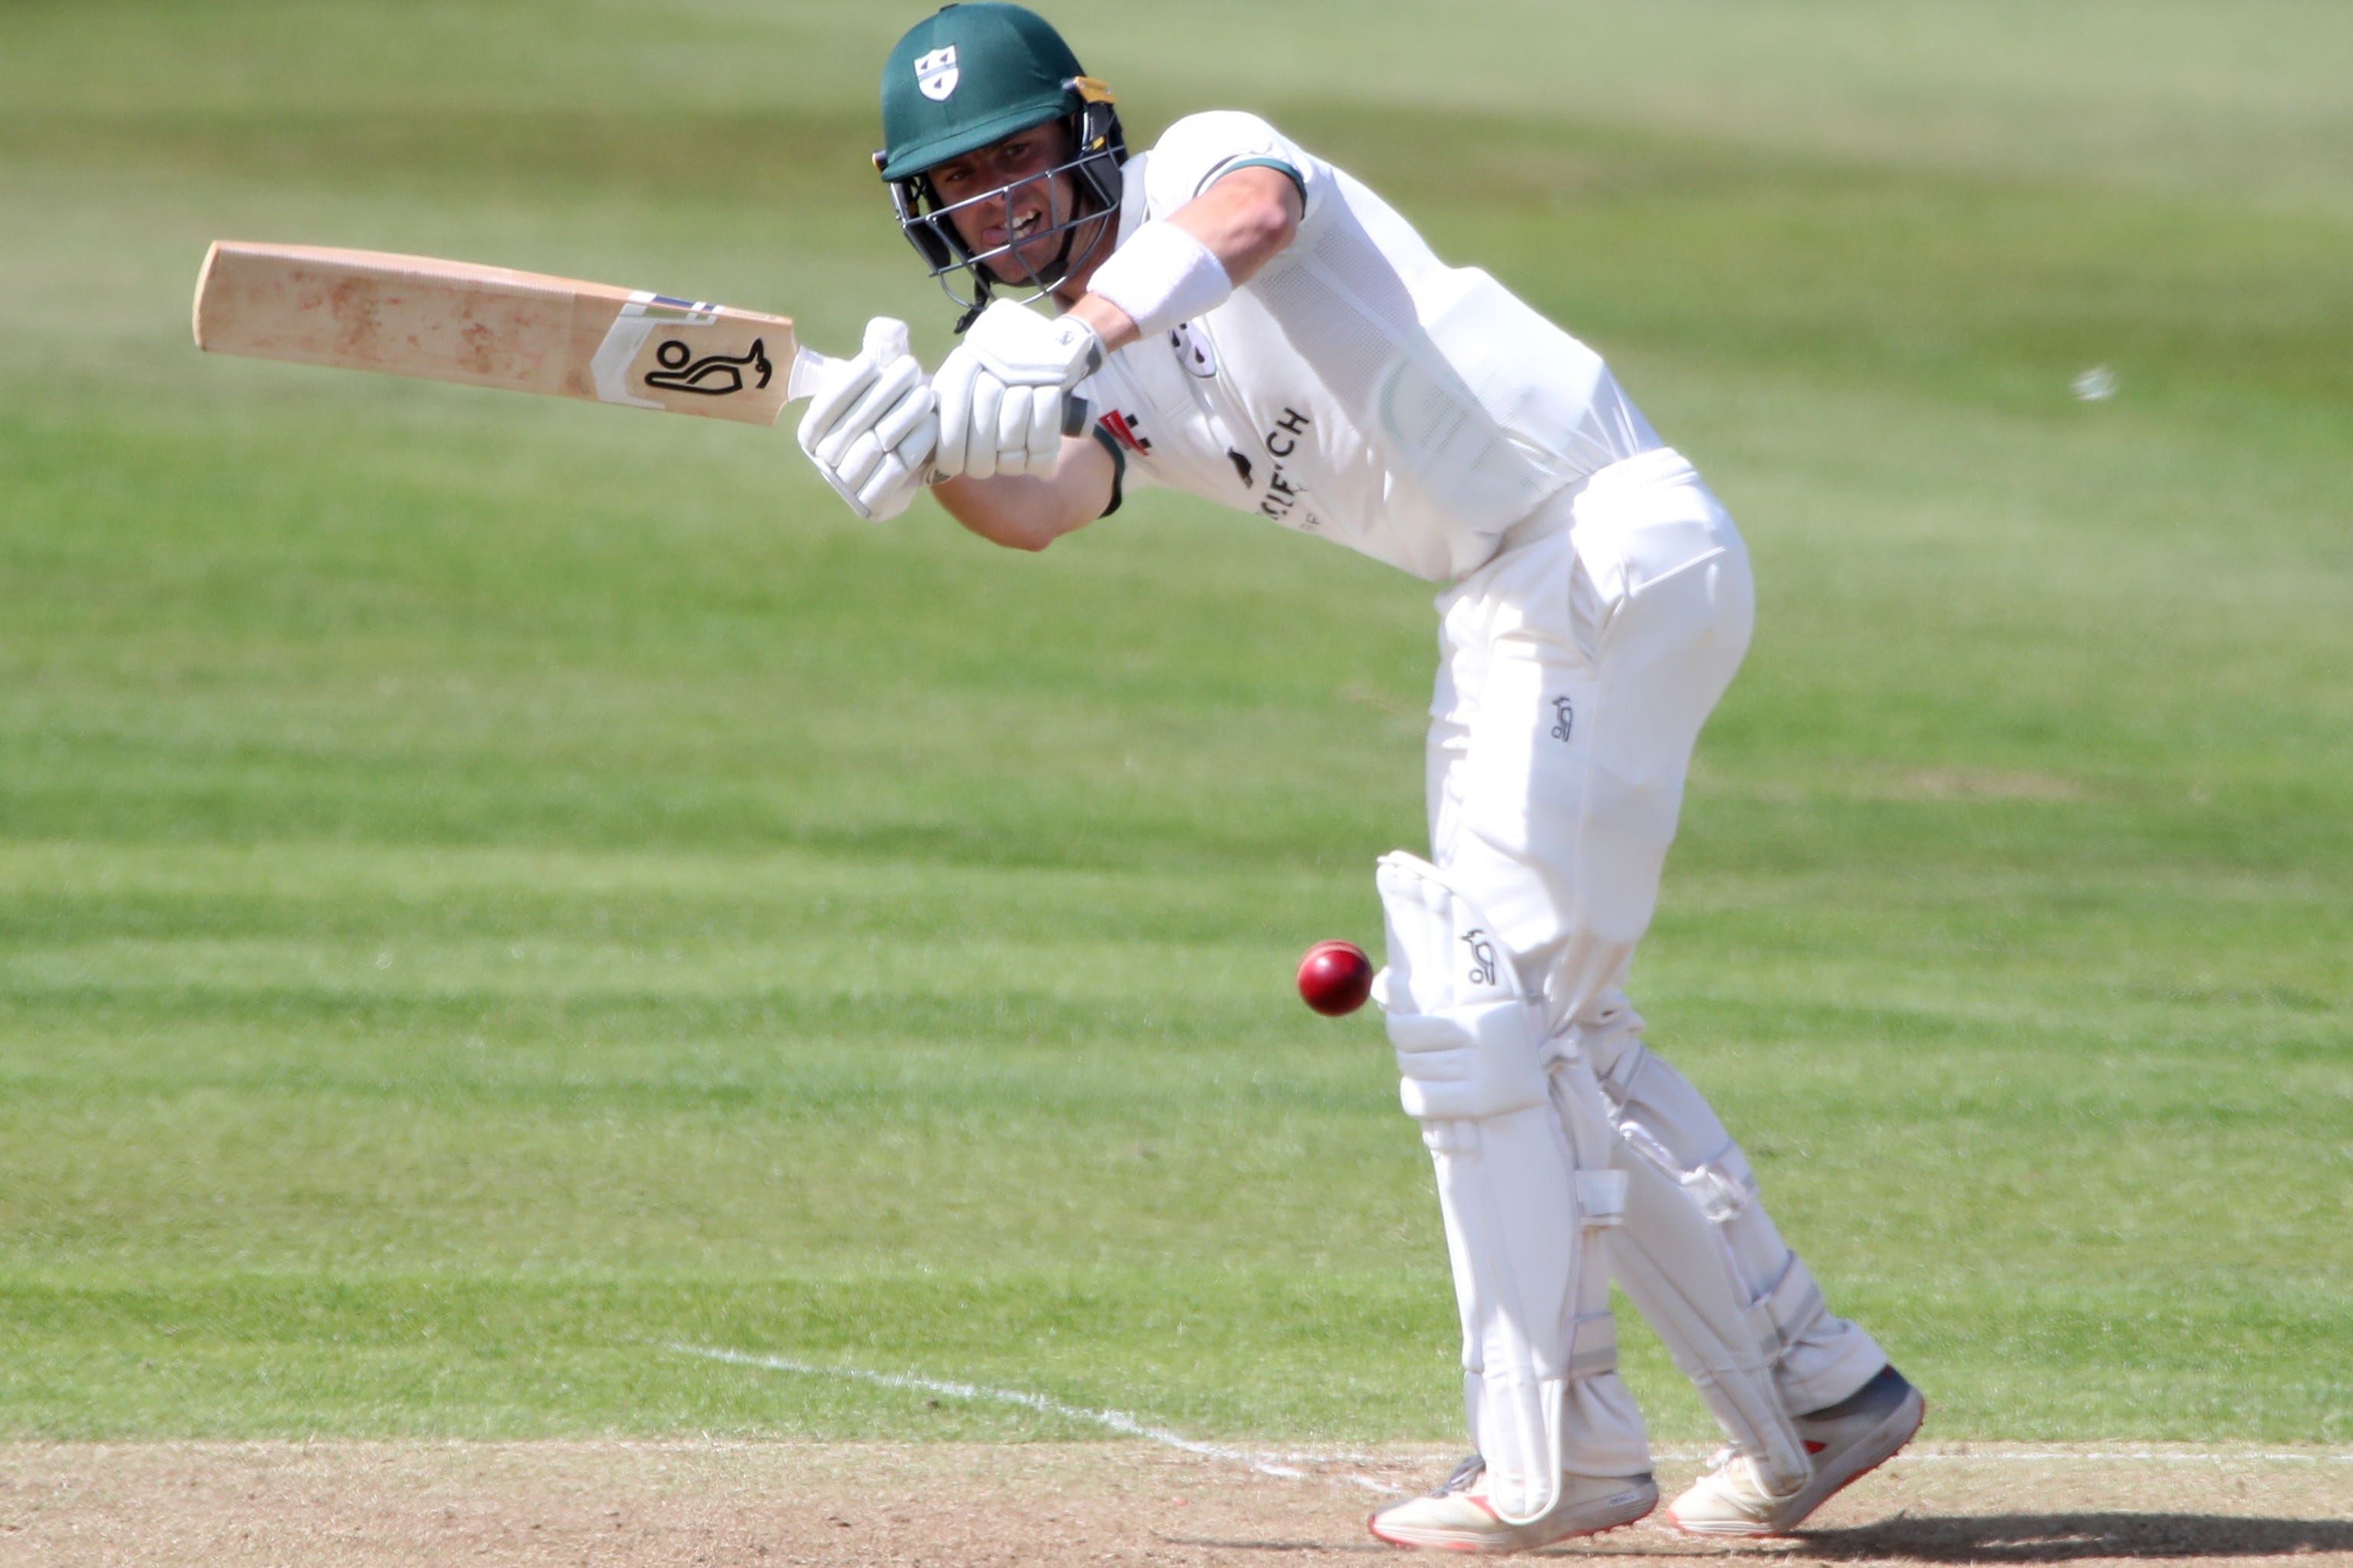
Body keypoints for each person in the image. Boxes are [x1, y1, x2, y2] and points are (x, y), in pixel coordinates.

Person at [798, 3, 1925, 1550]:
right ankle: (1813, 1391)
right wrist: (928, 448)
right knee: (1552, 1045)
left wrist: (1072, 339)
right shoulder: (1048, 354)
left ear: (1086, 135)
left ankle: (1559, 1456)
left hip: (1586, 540)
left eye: (1017, 157)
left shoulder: (1195, 175)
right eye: (961, 181)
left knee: (1480, 1024)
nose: (999, 201)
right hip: (1505, 599)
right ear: (920, 207)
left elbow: (1251, 216)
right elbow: (1045, 504)